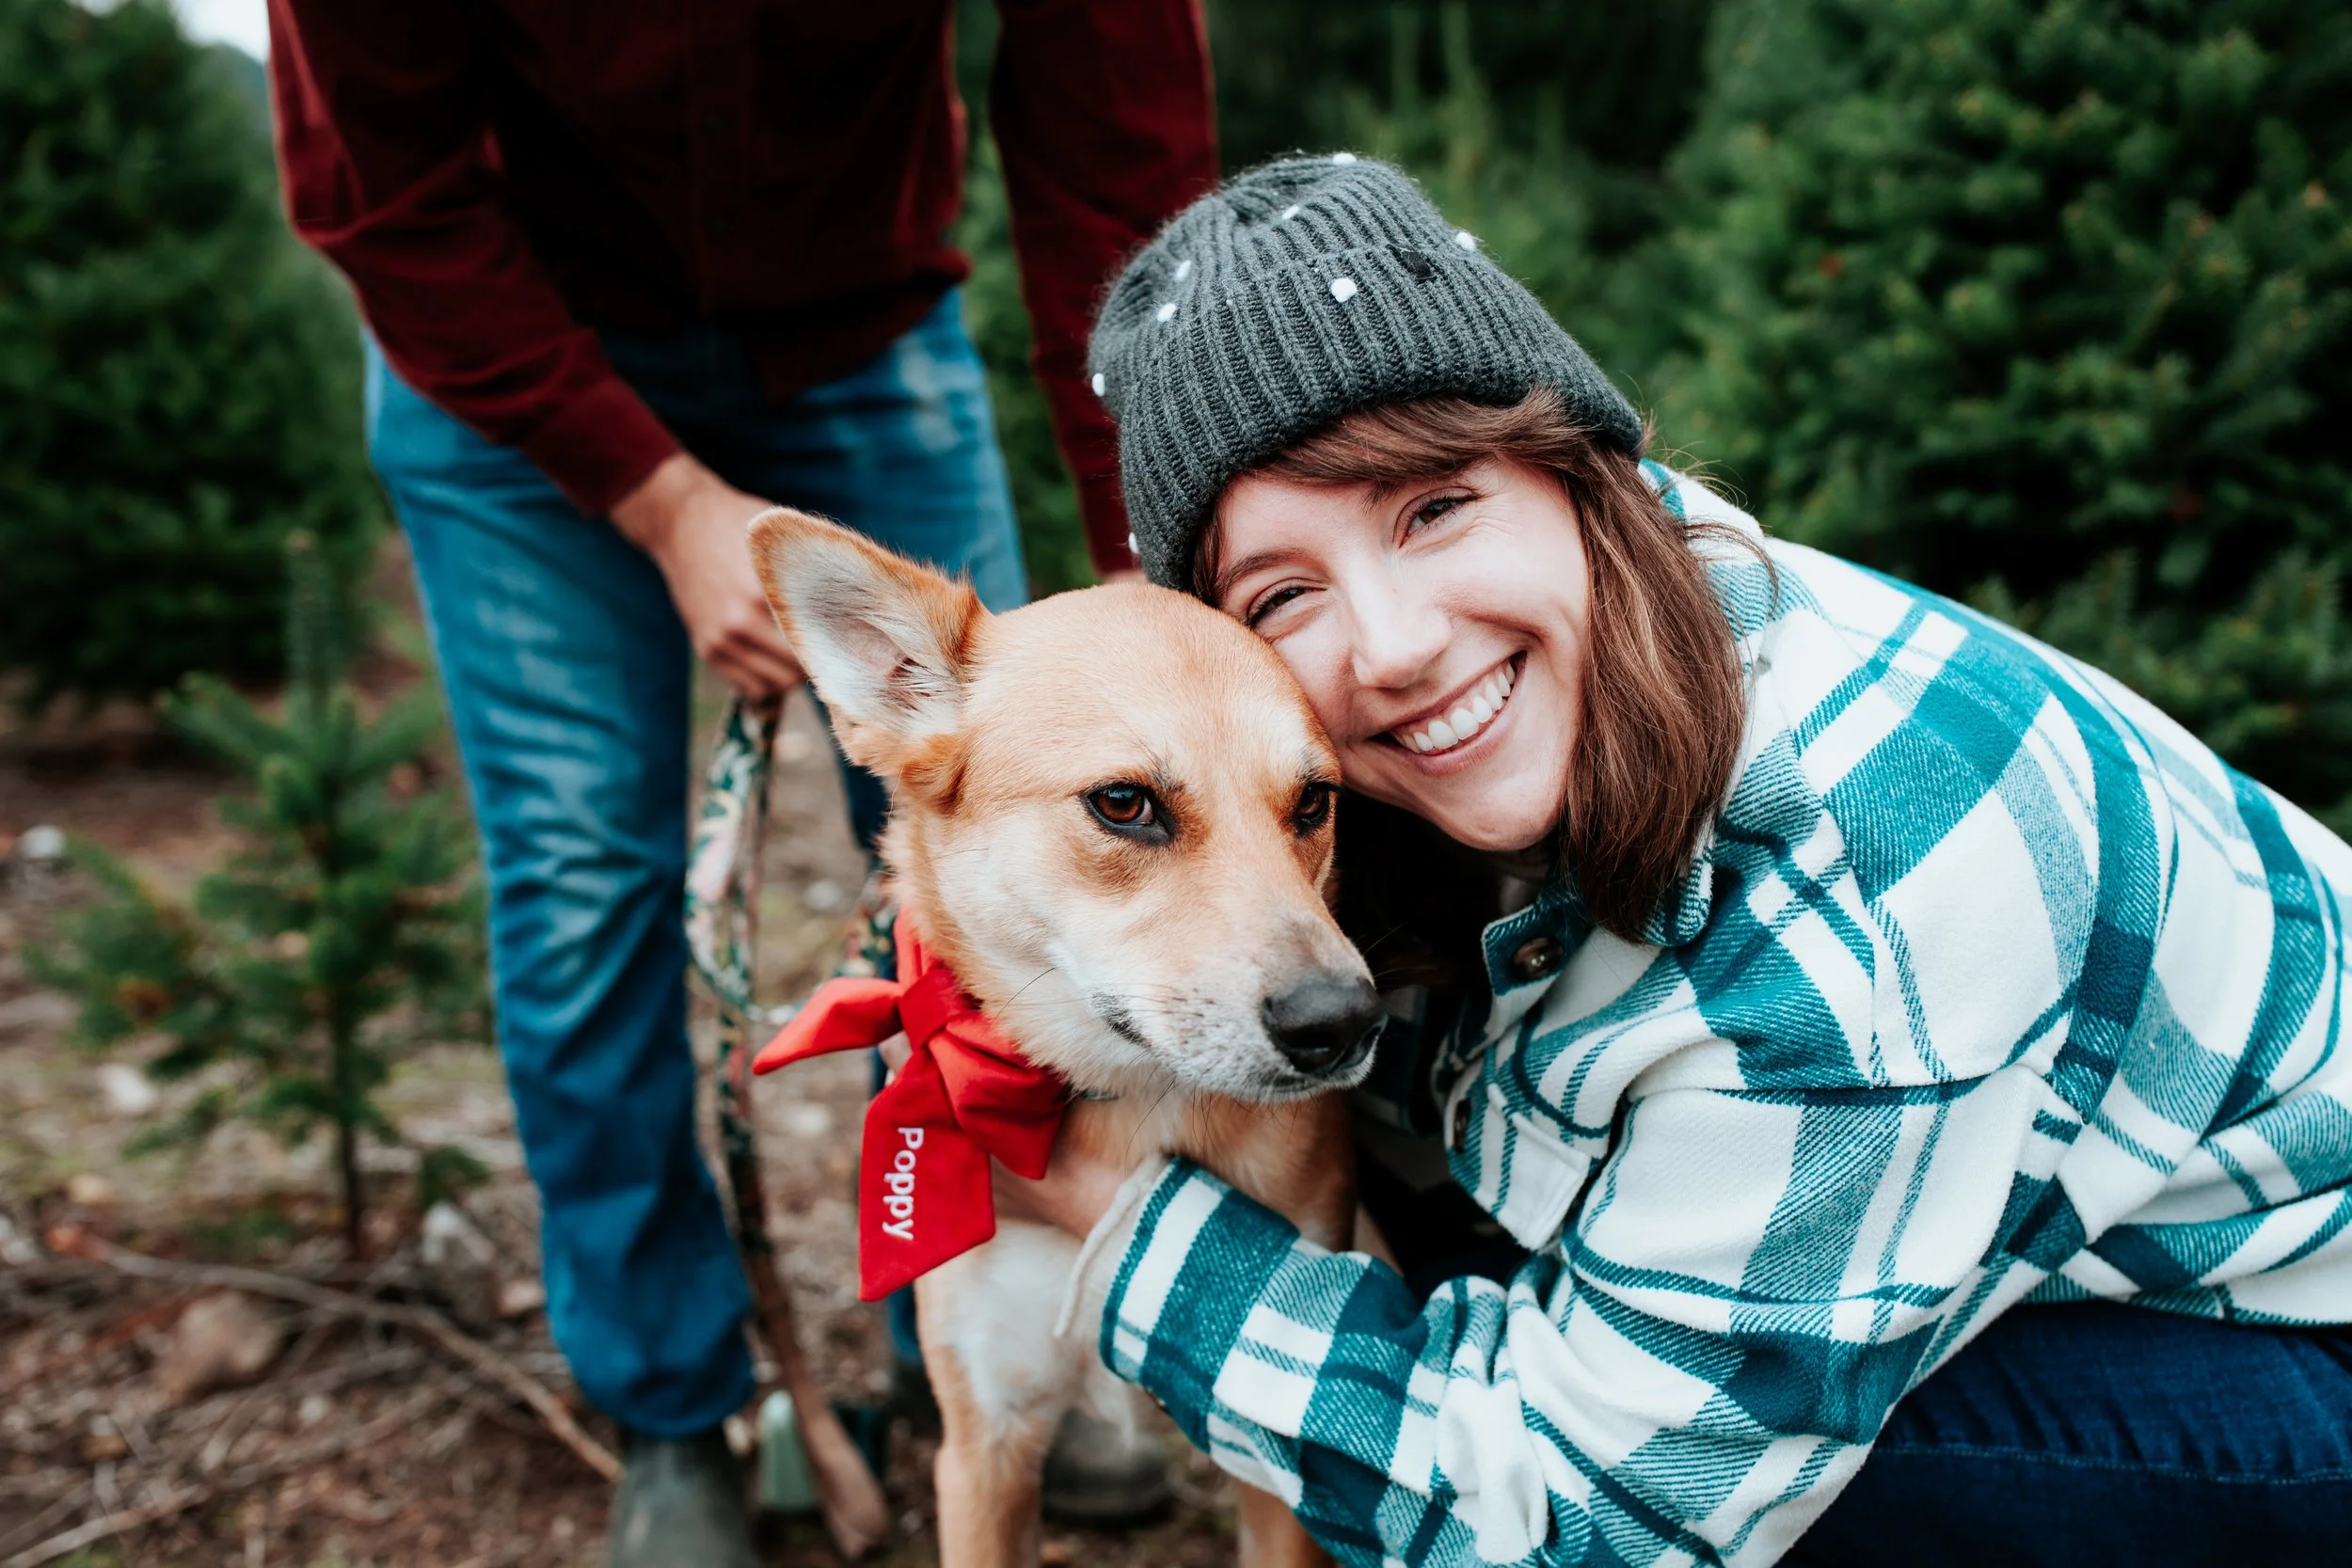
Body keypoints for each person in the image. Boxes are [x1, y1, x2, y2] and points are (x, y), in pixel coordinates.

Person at [1001, 155, 2352, 1566]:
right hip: (2060, 1261)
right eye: (1284, 593)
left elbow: (1588, 1524)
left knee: (1780, 1490)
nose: (1394, 643)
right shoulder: (1370, 762)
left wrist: (1113, 1219)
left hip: (2297, 1348)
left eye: (1434, 506)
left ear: (1577, 468)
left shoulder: (1871, 876)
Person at [262, 4, 1216, 1561]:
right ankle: (671, 1403)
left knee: (1009, 834)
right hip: (501, 349)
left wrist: (1145, 556)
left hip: (859, 327)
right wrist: (662, 499)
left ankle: (994, 1364)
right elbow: (384, 196)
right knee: (583, 883)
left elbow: (1116, 142)